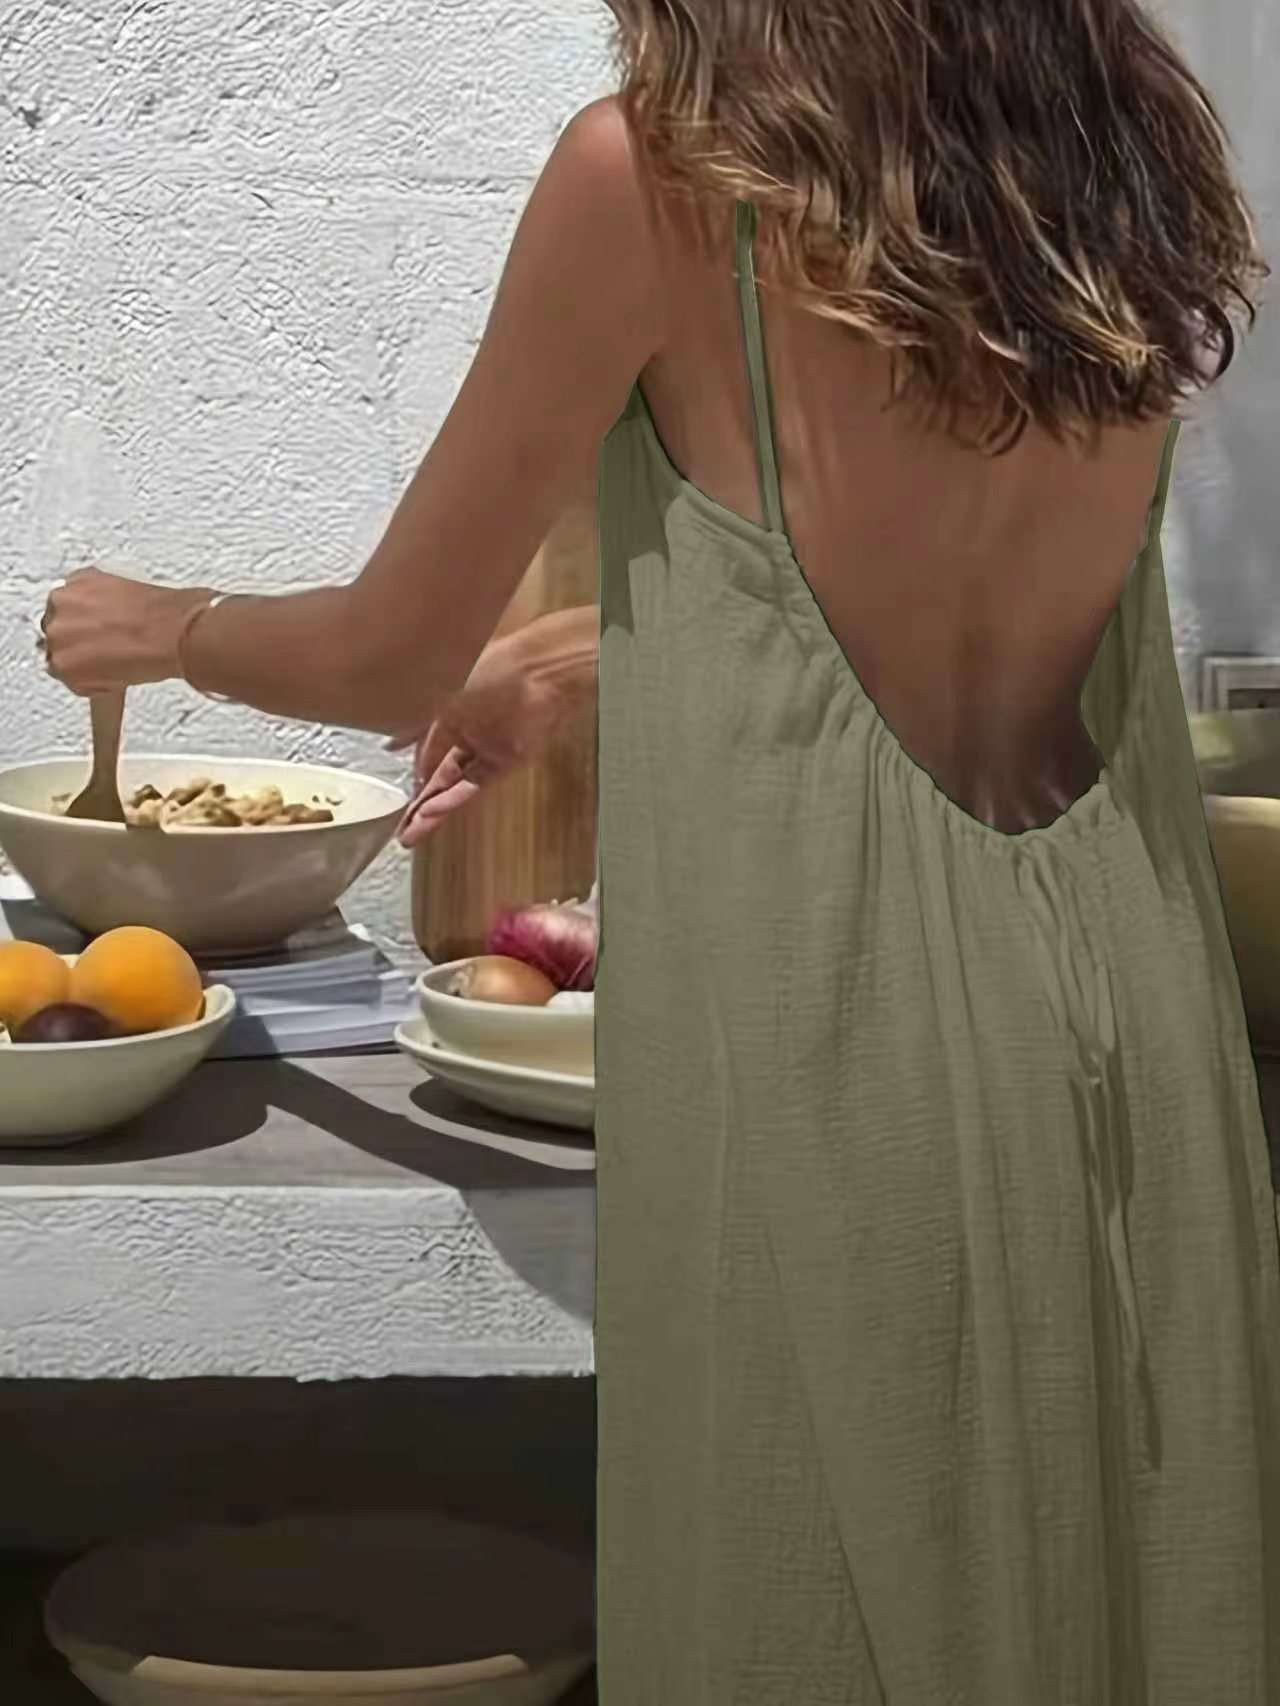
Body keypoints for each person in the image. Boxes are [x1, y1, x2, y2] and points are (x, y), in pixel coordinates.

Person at [40, 1, 1280, 1698]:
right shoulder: (1110, 164)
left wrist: (164, 624)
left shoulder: (661, 182)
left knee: (813, 1616)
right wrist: (568, 661)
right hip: (1132, 1043)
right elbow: (924, 591)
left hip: (836, 1060)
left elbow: (385, 656)